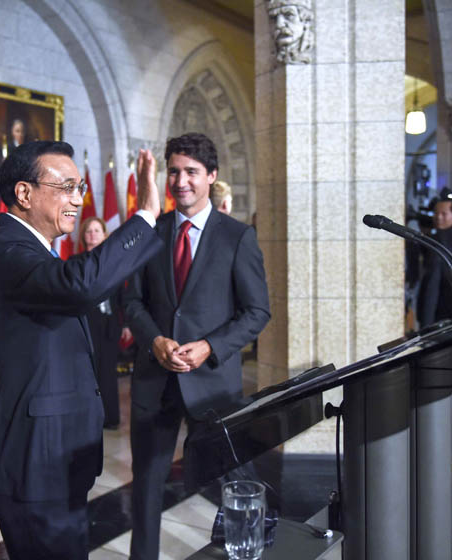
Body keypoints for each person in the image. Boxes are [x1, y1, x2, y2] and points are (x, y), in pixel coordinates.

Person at [0, 140, 163, 560]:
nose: (77, 199)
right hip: (35, 457)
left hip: (57, 453)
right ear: (24, 193)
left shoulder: (34, 249)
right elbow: (78, 286)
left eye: (81, 187)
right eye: (67, 187)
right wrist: (145, 215)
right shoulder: (3, 246)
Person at [123, 132, 271, 560]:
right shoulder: (152, 233)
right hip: (156, 380)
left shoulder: (237, 237)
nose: (180, 181)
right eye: (173, 171)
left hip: (213, 385)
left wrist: (209, 345)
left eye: (190, 172)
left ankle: (246, 553)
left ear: (211, 176)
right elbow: (131, 301)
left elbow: (257, 311)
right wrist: (154, 341)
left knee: (234, 481)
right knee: (147, 485)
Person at [79, 216, 122, 429]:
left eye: (97, 230)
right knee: (89, 374)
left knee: (108, 374)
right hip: (87, 325)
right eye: (89, 231)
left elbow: (122, 295)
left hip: (110, 324)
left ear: (105, 235)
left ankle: (110, 418)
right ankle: (91, 419)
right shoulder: (77, 262)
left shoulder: (112, 262)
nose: (93, 234)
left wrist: (126, 324)